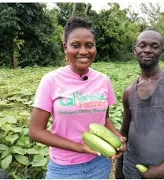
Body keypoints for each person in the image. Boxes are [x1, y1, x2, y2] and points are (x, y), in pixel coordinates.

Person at [29, 17, 126, 179]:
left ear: (95, 47)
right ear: (65, 47)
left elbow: (105, 118)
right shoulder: (51, 80)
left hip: (100, 162)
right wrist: (80, 147)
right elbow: (35, 131)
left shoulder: (103, 80)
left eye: (89, 45)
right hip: (64, 167)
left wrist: (117, 136)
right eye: (75, 45)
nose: (83, 51)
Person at [115, 28, 164, 179]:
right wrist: (119, 168)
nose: (147, 50)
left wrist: (161, 170)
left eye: (154, 46)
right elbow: (125, 132)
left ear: (162, 50)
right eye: (142, 45)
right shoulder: (129, 92)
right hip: (131, 169)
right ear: (135, 50)